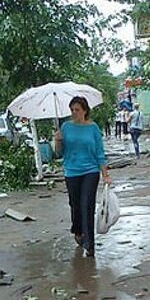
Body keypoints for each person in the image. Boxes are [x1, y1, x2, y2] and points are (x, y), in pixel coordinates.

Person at [53, 96, 111, 258]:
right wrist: (57, 141)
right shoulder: (65, 127)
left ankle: (90, 244)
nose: (74, 113)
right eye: (72, 110)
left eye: (77, 110)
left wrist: (105, 174)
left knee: (88, 205)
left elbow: (100, 153)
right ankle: (78, 230)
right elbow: (58, 154)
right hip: (71, 171)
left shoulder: (93, 128)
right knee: (75, 205)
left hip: (90, 171)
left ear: (85, 110)